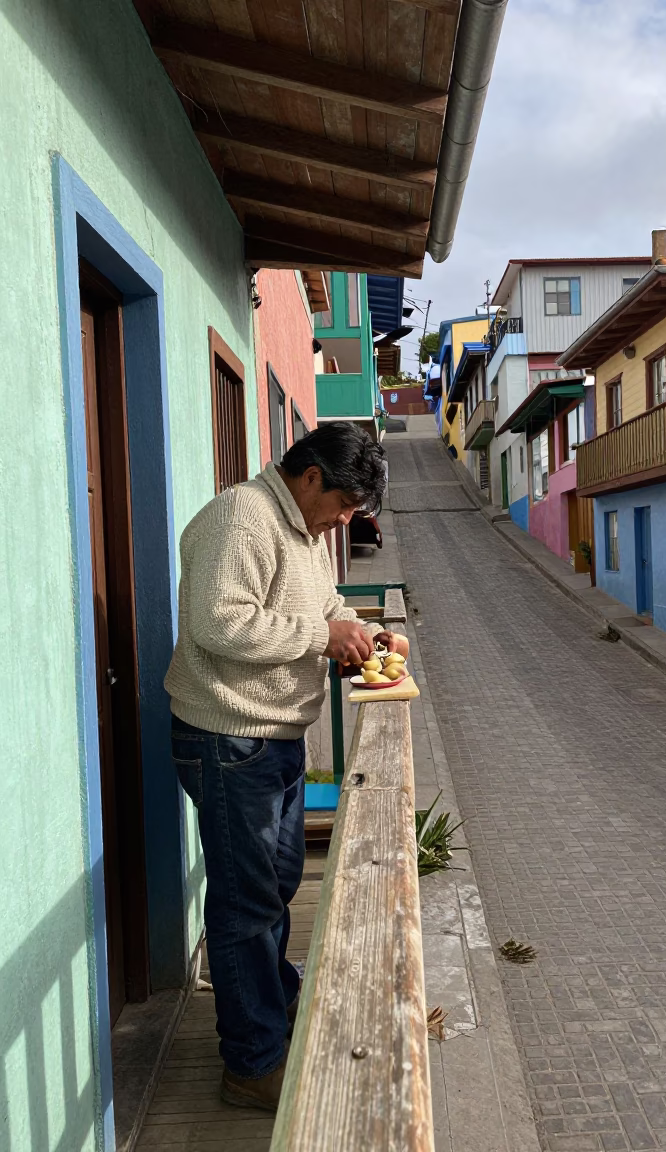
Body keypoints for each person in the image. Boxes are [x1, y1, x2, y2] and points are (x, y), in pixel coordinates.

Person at [164, 421, 409, 1111]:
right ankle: (252, 1063)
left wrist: (361, 629)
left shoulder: (300, 531)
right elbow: (219, 622)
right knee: (245, 907)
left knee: (276, 886)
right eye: (343, 506)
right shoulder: (242, 516)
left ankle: (274, 1005)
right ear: (310, 478)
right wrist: (320, 636)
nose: (344, 521)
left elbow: (325, 606)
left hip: (271, 738)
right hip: (227, 736)